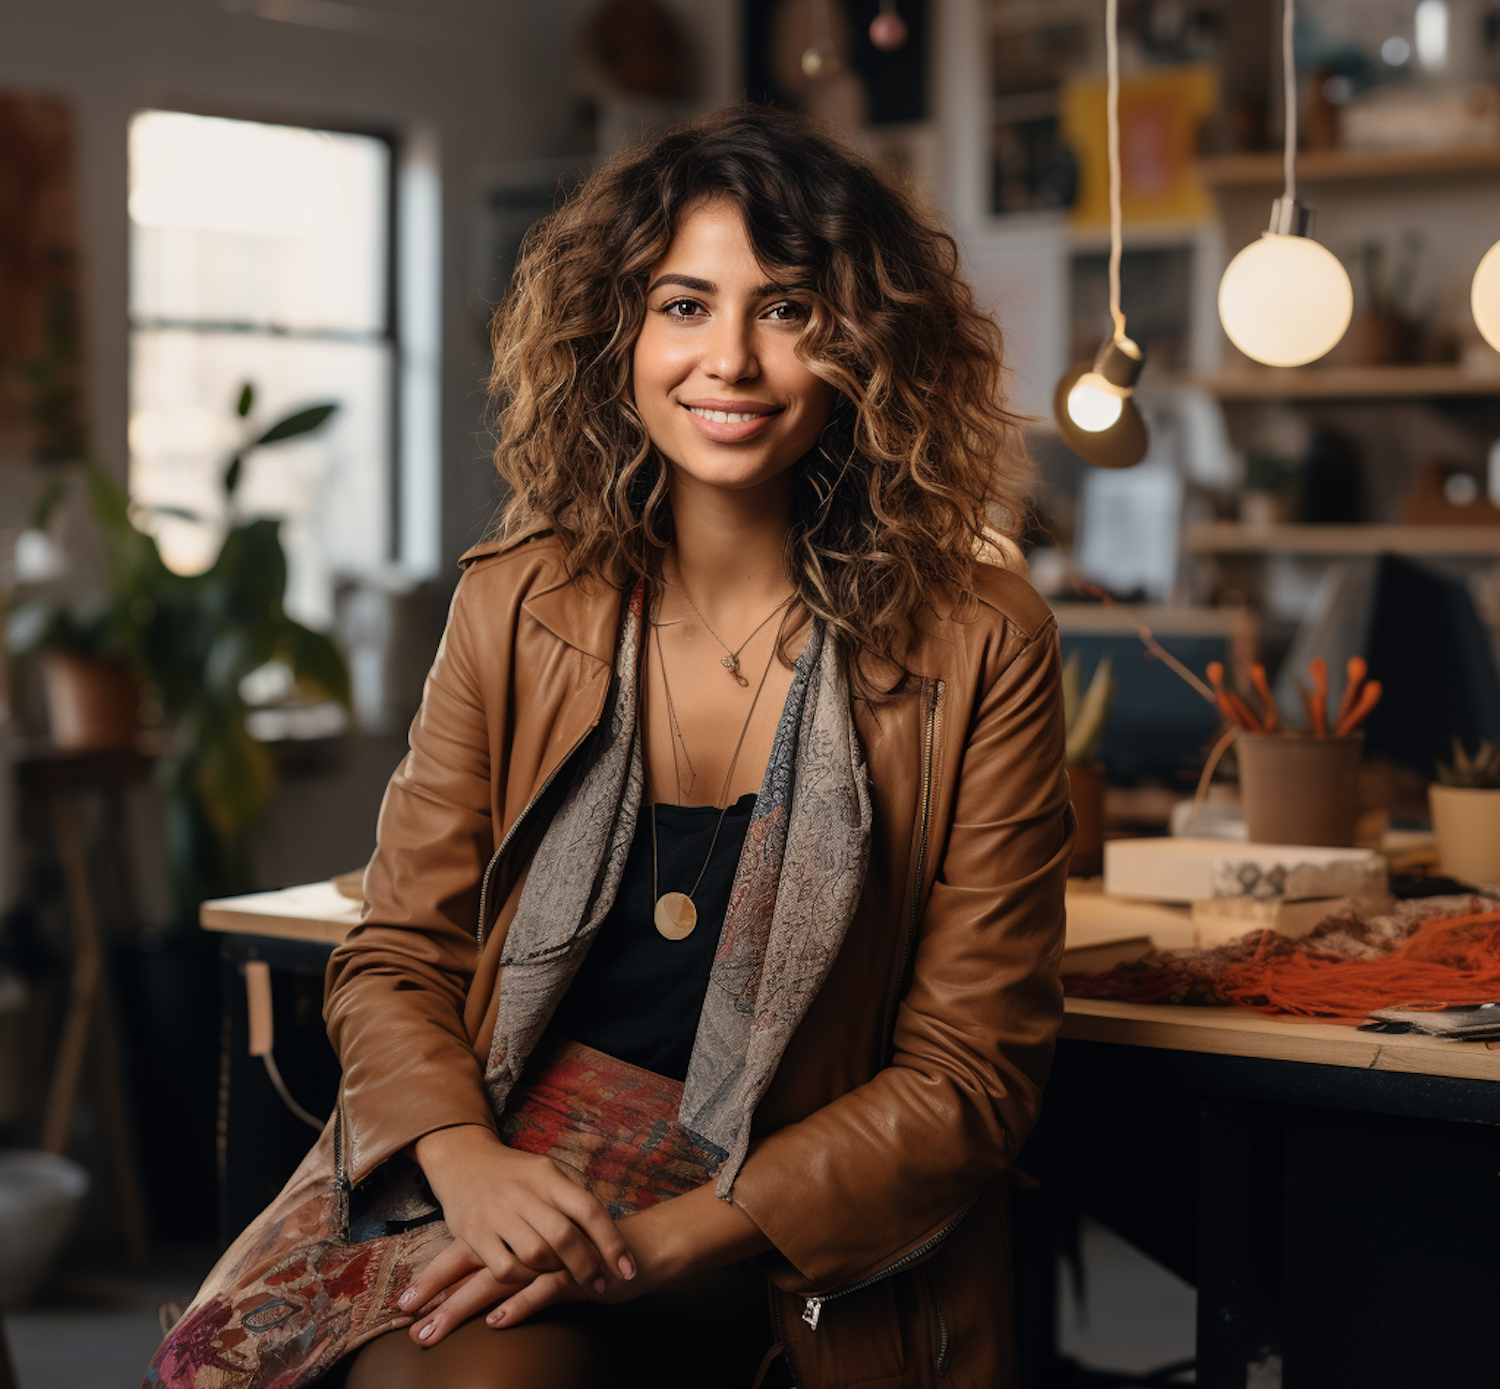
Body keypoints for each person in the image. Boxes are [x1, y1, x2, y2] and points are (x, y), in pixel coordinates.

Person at [145, 105, 1072, 1389]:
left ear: (866, 347)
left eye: (789, 309)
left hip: (763, 1223)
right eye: (685, 306)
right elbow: (398, 952)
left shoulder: (982, 642)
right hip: (500, 1153)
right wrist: (468, 1163)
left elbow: (970, 1079)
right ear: (618, 336)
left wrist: (644, 1244)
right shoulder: (518, 602)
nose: (731, 360)